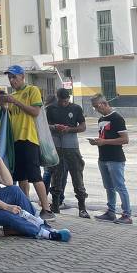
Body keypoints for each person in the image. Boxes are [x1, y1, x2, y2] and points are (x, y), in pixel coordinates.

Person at [0, 129, 71, 242]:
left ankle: (41, 224)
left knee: (14, 190)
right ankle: (44, 233)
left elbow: (8, 182)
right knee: (8, 214)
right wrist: (6, 206)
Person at [0, 65, 55, 221]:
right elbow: (9, 118)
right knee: (21, 177)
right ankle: (26, 206)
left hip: (29, 138)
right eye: (9, 78)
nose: (12, 80)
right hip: (16, 140)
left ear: (22, 76)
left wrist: (15, 102)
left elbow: (35, 112)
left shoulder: (32, 90)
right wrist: (4, 105)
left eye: (14, 77)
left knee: (35, 176)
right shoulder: (13, 95)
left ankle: (47, 209)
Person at [46, 88, 89, 218]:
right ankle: (55, 204)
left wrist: (70, 129)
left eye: (66, 101)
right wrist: (55, 127)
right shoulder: (50, 108)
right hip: (56, 145)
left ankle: (82, 207)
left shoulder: (76, 108)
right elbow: (44, 125)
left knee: (77, 174)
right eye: (61, 101)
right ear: (57, 98)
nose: (64, 103)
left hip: (72, 145)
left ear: (69, 99)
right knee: (56, 175)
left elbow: (83, 126)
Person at [90, 93, 132, 224]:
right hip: (103, 157)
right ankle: (111, 212)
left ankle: (127, 215)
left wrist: (104, 142)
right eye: (94, 108)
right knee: (109, 187)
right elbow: (104, 137)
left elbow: (125, 140)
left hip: (115, 158)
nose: (96, 110)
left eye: (97, 107)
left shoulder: (117, 118)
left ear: (103, 104)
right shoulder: (101, 119)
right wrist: (97, 142)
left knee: (120, 186)